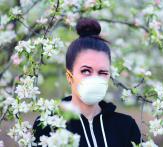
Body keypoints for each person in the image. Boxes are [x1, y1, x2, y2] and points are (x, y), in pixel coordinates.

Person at [32, 17, 141, 147]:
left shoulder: (126, 126)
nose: (95, 78)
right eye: (86, 71)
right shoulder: (48, 125)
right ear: (69, 76)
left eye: (102, 72)